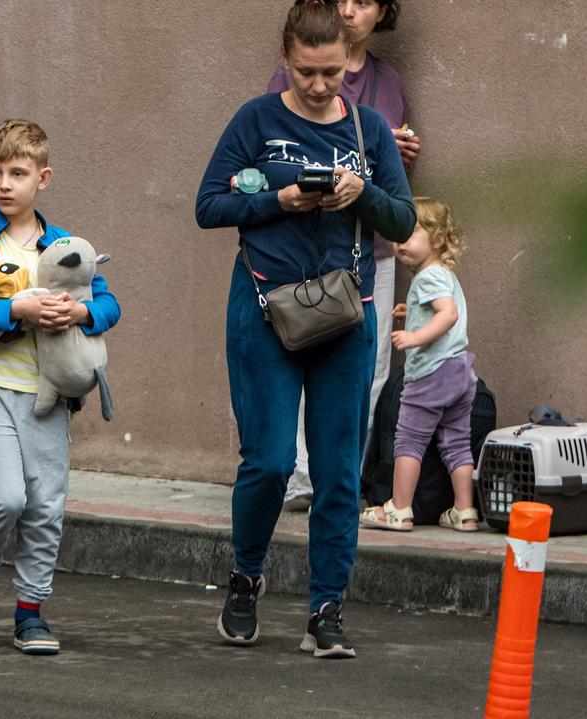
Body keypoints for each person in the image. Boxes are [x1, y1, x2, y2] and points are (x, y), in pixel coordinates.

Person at [195, 3, 415, 657]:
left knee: (339, 471)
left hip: (345, 315)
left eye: (330, 74)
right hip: (264, 308)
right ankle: (245, 577)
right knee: (268, 462)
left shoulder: (368, 128)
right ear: (287, 59)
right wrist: (279, 201)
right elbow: (209, 204)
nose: (320, 86)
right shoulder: (255, 119)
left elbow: (402, 222)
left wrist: (362, 195)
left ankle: (326, 609)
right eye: (306, 72)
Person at [0, 120, 120, 655]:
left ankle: (30, 612)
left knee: (45, 505)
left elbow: (110, 303)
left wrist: (81, 310)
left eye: (18, 173)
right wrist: (14, 307)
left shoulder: (64, 246)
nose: (5, 184)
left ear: (42, 178)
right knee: (6, 499)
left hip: (47, 397)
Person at [268, 0, 420, 512]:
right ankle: (298, 477)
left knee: (367, 371)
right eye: (341, 1)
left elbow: (392, 187)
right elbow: (276, 152)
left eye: (364, 2)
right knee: (301, 354)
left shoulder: (389, 82)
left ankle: (342, 480)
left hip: (368, 247)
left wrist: (393, 154)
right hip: (307, 249)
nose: (350, 12)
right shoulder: (288, 77)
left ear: (383, 13)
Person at [361, 198, 479, 532]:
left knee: (409, 441)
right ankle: (464, 510)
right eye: (397, 237)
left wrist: (414, 338)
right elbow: (442, 310)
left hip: (431, 373)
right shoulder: (444, 275)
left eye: (410, 236)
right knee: (456, 442)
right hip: (459, 371)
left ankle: (398, 509)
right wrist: (410, 313)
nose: (400, 244)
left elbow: (447, 314)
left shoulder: (427, 279)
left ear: (438, 239)